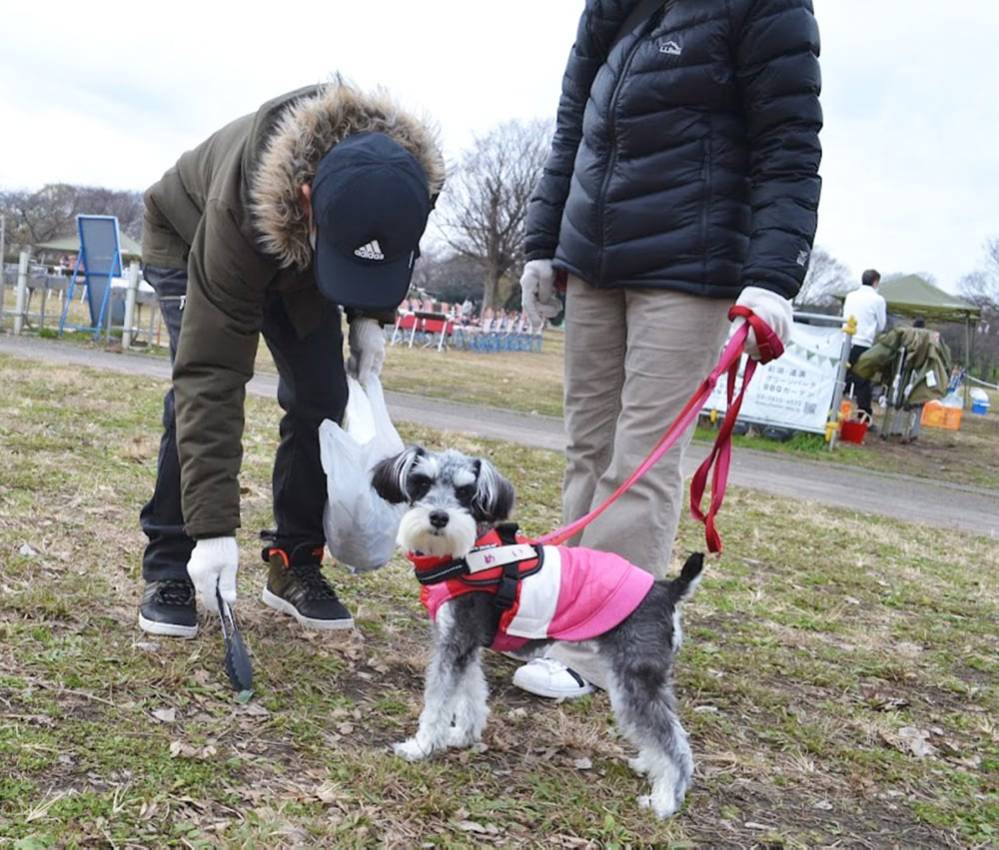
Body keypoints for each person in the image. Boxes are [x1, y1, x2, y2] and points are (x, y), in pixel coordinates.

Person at [518, 0, 821, 697]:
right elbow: (573, 126)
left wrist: (772, 277)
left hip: (691, 267)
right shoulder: (611, 11)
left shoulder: (766, 9)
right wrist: (542, 241)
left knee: (639, 459)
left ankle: (600, 643)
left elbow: (788, 143)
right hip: (592, 257)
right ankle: (572, 608)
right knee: (585, 448)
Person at [138, 80, 444, 638]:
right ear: (307, 196)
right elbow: (213, 373)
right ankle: (171, 560)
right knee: (191, 395)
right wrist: (215, 529)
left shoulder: (408, 184)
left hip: (305, 258)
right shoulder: (238, 203)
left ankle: (293, 560)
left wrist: (372, 317)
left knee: (322, 395)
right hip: (192, 237)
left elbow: (385, 250)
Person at [842, 269, 888, 420]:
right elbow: (881, 325)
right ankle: (864, 417)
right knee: (862, 381)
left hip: (845, 341)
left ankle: (828, 410)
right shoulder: (878, 300)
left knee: (841, 379)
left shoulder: (850, 296)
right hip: (863, 343)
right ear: (875, 282)